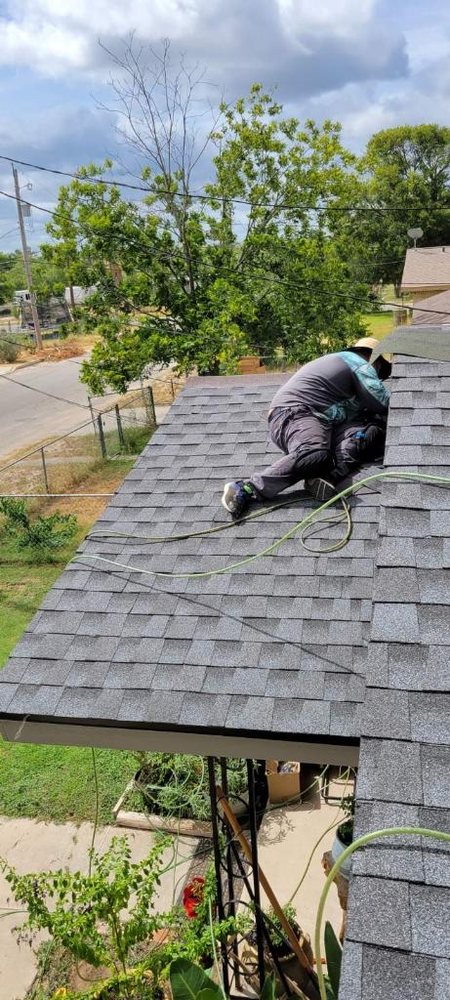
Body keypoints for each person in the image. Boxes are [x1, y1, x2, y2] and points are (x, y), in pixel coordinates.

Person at [221, 337, 392, 519]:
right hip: (295, 413)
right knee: (315, 453)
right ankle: (246, 488)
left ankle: (324, 477)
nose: (378, 376)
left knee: (365, 434)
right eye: (380, 369)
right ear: (374, 359)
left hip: (319, 422)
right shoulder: (356, 362)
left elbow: (361, 419)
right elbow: (382, 401)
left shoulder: (346, 383)